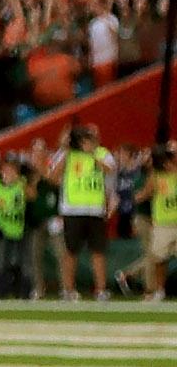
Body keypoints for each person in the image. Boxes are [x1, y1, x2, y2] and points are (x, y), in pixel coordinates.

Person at [55, 126, 116, 302]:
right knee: (71, 251)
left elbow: (110, 169)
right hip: (73, 209)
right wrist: (65, 150)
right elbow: (54, 174)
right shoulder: (68, 154)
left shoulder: (103, 153)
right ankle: (68, 289)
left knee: (98, 251)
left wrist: (92, 153)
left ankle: (101, 290)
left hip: (95, 209)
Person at [0, 158, 34, 301]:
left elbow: (32, 195)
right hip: (3, 227)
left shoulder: (21, 183)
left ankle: (23, 291)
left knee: (23, 260)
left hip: (19, 226)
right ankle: (1, 291)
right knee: (3, 260)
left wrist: (19, 182)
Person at [138, 144, 177, 302]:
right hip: (162, 223)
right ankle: (160, 290)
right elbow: (145, 194)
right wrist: (134, 197)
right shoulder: (155, 176)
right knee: (160, 258)